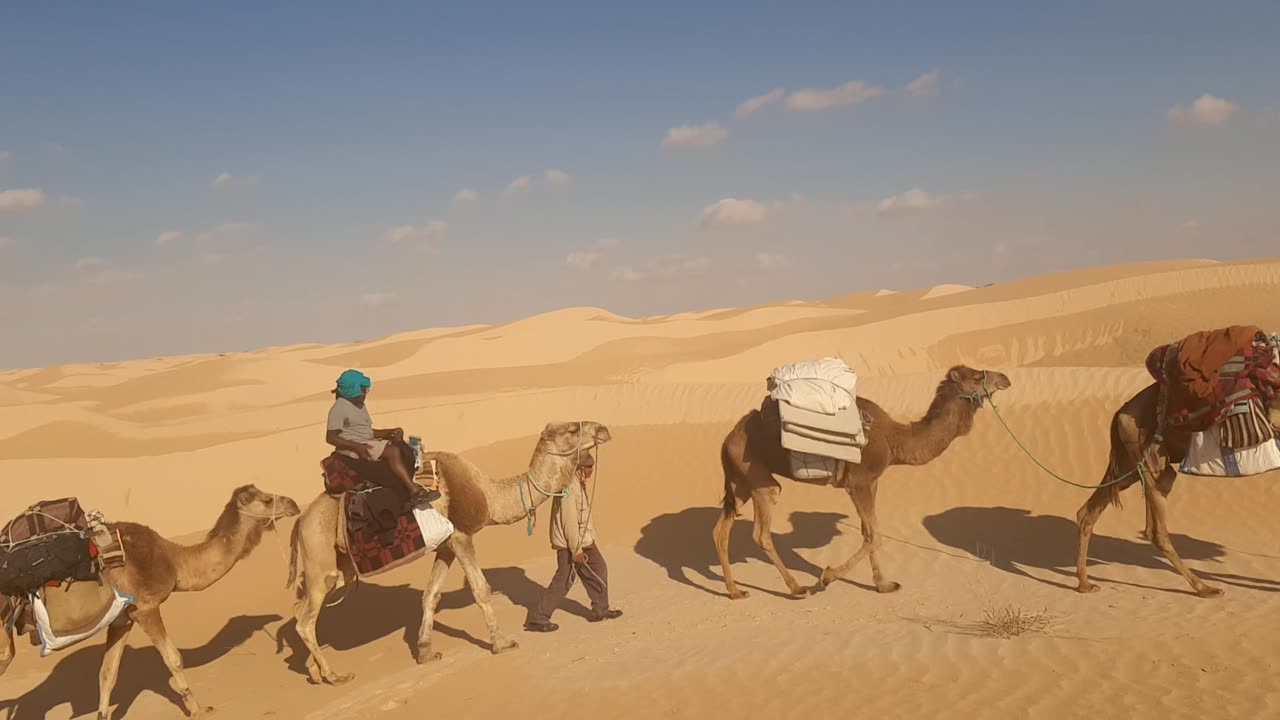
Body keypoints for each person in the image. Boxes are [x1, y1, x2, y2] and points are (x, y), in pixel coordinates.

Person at [524, 453, 622, 632]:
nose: (592, 470)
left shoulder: (579, 485)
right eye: (589, 467)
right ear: (579, 469)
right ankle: (539, 618)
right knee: (563, 581)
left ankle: (601, 610)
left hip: (585, 541)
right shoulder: (568, 489)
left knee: (599, 570)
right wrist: (576, 550)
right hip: (572, 545)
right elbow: (568, 522)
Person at [325, 369, 434, 505]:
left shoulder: (358, 405)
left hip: (365, 442)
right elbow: (330, 438)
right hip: (353, 447)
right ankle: (413, 490)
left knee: (402, 446)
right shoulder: (339, 408)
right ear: (353, 390)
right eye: (363, 389)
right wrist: (357, 447)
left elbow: (366, 432)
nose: (365, 393)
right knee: (393, 452)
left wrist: (389, 432)